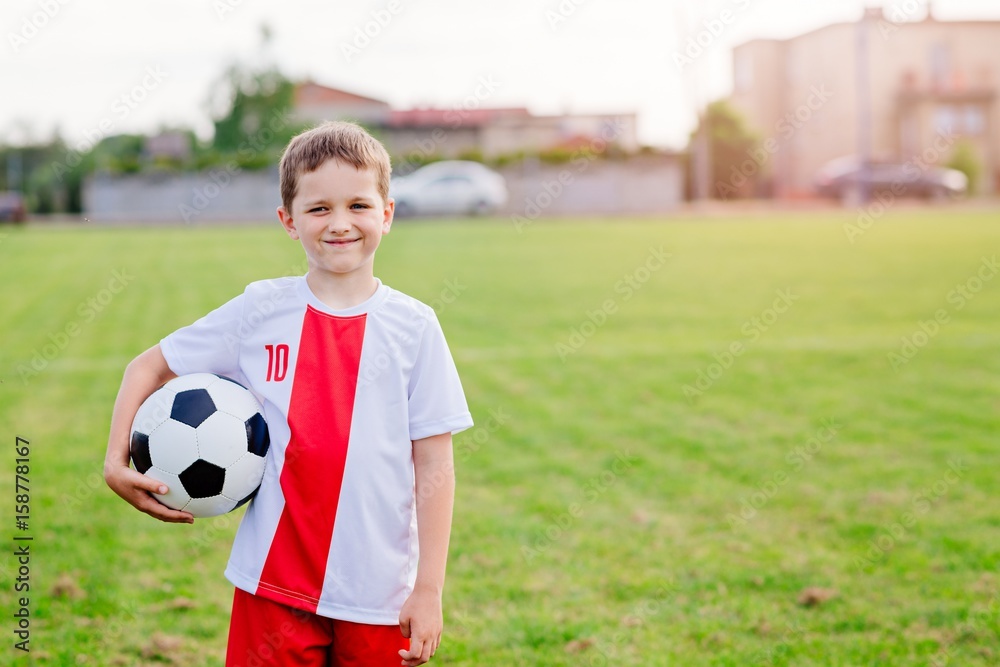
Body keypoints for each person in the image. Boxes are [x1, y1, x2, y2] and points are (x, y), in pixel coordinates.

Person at [104, 121, 474, 666]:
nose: (340, 223)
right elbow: (148, 366)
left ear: (387, 214)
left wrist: (429, 588)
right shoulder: (260, 311)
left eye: (359, 205)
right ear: (288, 221)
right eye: (319, 208)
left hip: (379, 594)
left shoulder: (414, 327)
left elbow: (435, 462)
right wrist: (116, 459)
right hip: (273, 585)